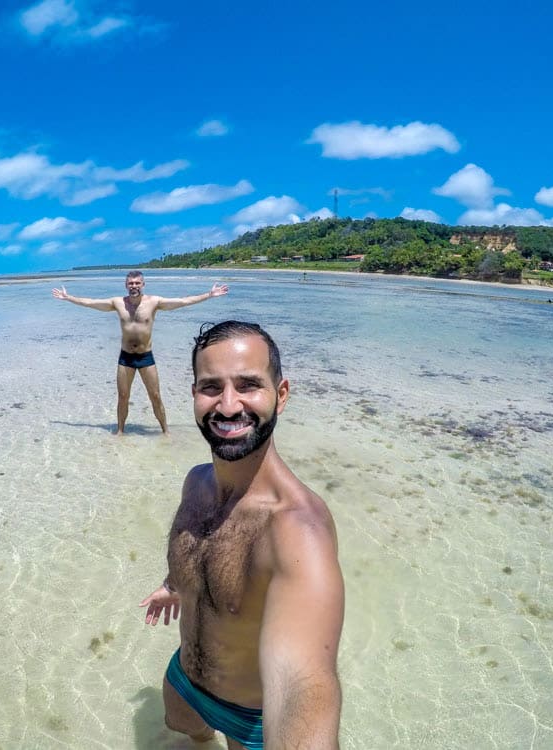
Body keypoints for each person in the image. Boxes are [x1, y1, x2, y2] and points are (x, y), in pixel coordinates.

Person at [140, 321, 344, 749]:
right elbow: (205, 549)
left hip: (250, 716)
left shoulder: (297, 530)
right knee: (185, 732)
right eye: (211, 387)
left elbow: (303, 682)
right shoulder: (196, 483)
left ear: (281, 395)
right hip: (186, 679)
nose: (228, 406)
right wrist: (174, 583)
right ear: (194, 394)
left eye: (248, 385)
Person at [51, 271, 228, 434]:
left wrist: (209, 295)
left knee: (156, 396)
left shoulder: (154, 302)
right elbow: (90, 302)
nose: (133, 286)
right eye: (130, 283)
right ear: (125, 285)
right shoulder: (117, 303)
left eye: (137, 283)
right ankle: (120, 431)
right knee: (123, 396)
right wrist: (68, 298)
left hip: (146, 357)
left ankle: (165, 431)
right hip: (125, 358)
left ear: (143, 284)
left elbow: (183, 301)